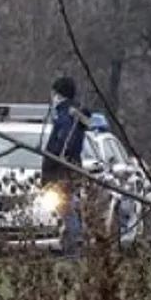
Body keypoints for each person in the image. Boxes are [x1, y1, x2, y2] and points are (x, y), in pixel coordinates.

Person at [42, 75, 90, 256]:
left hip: (62, 170)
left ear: (58, 94)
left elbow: (62, 143)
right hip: (72, 168)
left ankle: (73, 246)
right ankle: (72, 242)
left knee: (66, 208)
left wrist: (52, 160)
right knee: (70, 207)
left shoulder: (66, 116)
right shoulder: (76, 115)